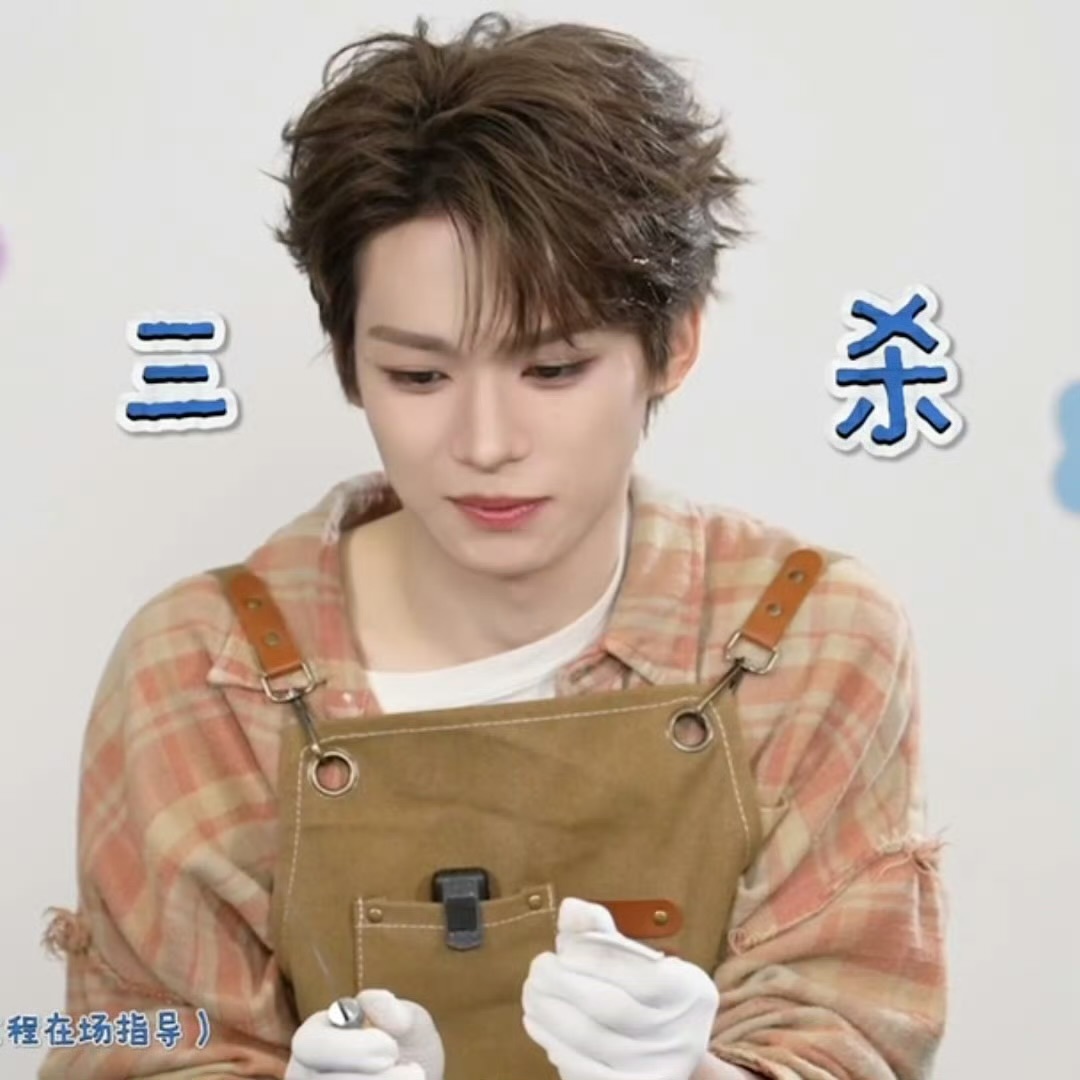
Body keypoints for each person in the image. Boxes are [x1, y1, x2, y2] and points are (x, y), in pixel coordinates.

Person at [40, 11, 947, 1080]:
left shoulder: (809, 640)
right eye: (418, 376)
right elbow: (132, 1040)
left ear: (675, 345)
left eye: (553, 369)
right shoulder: (203, 673)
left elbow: (849, 1033)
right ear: (348, 361)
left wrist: (698, 1074)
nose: (484, 444)